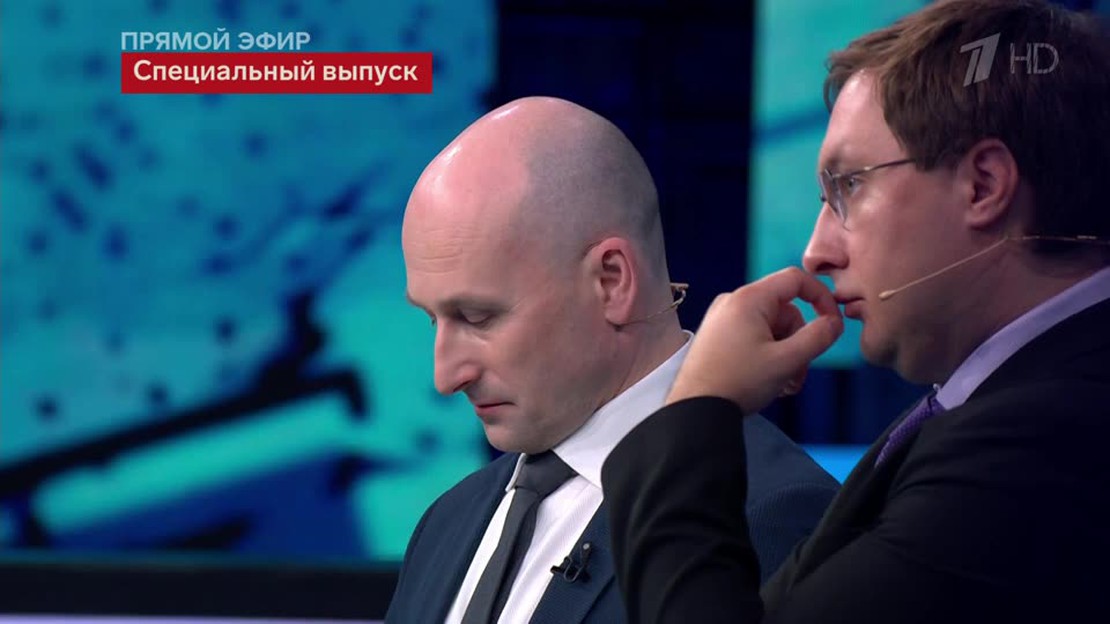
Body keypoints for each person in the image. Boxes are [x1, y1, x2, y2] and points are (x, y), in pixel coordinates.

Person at [600, 1, 1110, 622]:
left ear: (982, 184)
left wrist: (699, 404)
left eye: (849, 185)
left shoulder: (1042, 441)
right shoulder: (1002, 408)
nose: (815, 252)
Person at [386, 96, 840, 624]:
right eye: (432, 319)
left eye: (477, 317)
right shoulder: (446, 522)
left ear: (611, 281)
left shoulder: (773, 517)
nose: (445, 377)